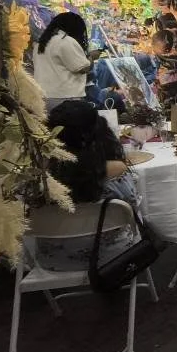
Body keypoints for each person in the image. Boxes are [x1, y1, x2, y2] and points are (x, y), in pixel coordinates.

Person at [38, 100, 139, 271]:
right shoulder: (115, 170)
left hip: (52, 259)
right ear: (98, 131)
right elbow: (132, 206)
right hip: (113, 257)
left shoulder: (37, 175)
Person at [34, 11, 101, 112]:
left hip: (42, 97)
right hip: (65, 99)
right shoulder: (66, 41)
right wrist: (91, 57)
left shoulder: (41, 43)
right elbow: (83, 68)